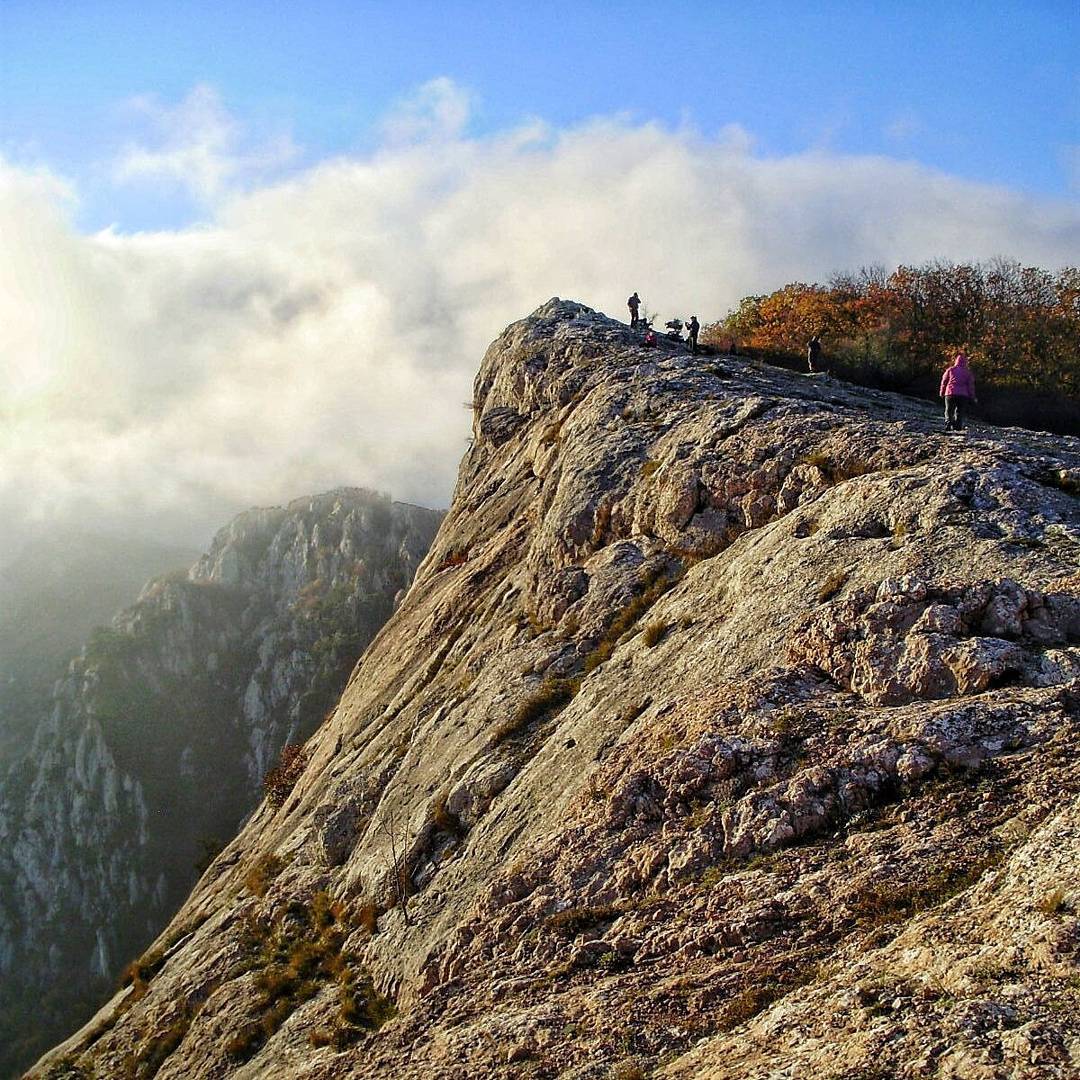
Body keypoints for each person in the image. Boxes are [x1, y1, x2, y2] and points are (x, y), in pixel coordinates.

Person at [940, 351, 978, 431]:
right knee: (960, 411)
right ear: (965, 363)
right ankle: (958, 426)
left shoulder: (950, 370)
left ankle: (948, 423)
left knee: (949, 410)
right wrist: (972, 396)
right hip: (963, 395)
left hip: (950, 393)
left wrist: (942, 392)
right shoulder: (968, 373)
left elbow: (944, 381)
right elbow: (970, 386)